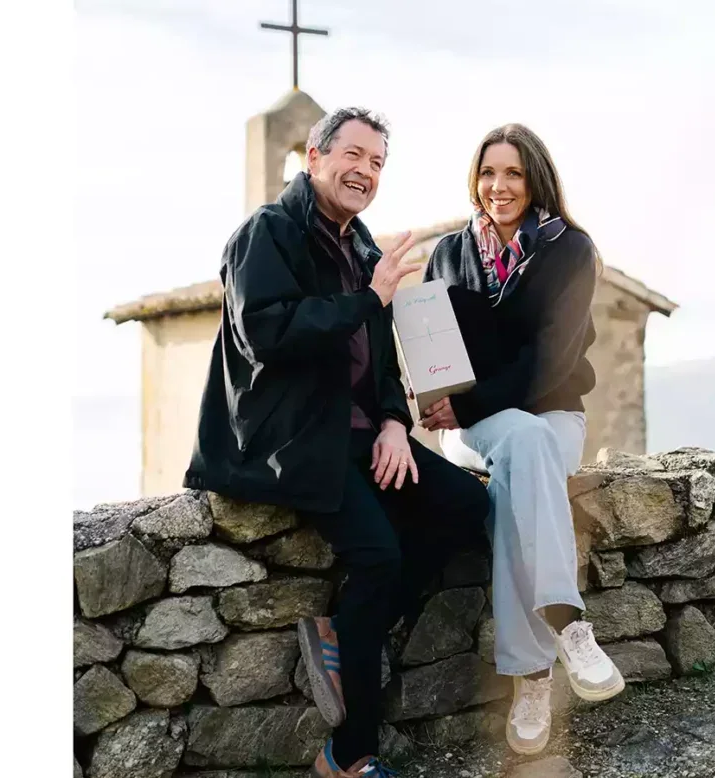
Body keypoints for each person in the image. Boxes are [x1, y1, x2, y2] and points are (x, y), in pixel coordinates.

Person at [183, 107, 490, 778]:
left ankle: (350, 632)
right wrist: (367, 302)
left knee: (470, 507)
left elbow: (382, 366)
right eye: (353, 154)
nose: (365, 171)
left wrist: (391, 424)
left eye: (378, 162)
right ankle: (349, 755)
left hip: (356, 435)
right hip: (290, 440)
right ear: (314, 157)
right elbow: (266, 333)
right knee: (377, 555)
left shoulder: (363, 250)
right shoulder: (268, 232)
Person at [420, 123, 625, 756]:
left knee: (524, 463)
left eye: (512, 173)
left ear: (535, 179)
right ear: (474, 180)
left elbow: (551, 360)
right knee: (520, 450)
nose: (498, 186)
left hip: (553, 414)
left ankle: (531, 677)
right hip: (472, 430)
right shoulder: (449, 254)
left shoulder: (570, 250)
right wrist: (431, 400)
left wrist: (472, 399)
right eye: (488, 173)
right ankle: (568, 625)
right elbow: (427, 348)